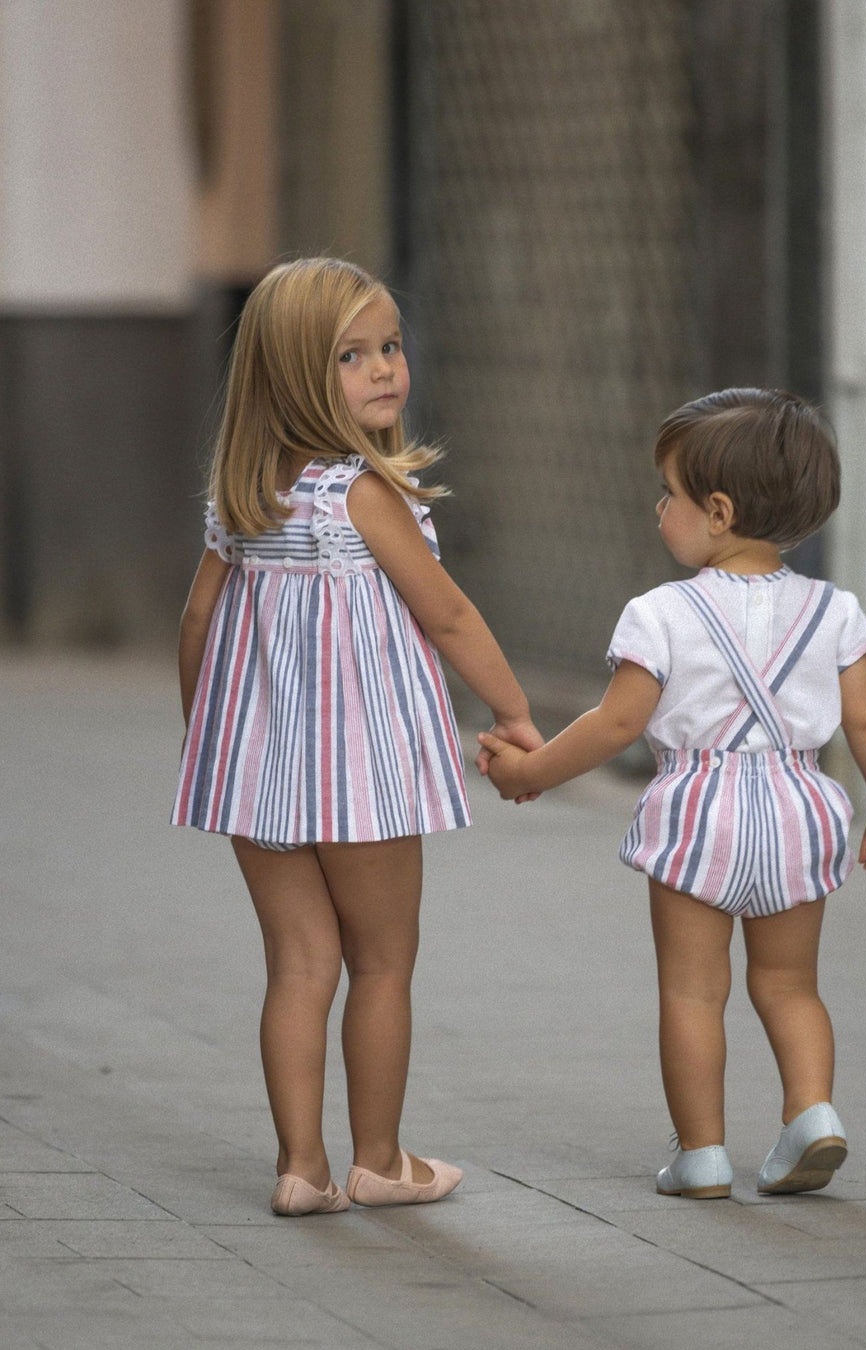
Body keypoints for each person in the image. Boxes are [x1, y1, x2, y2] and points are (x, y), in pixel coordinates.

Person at [172, 257, 542, 1216]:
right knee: (381, 961)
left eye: (390, 346)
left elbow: (199, 623)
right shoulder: (361, 494)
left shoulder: (241, 498)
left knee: (298, 964)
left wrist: (210, 738)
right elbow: (448, 614)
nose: (384, 368)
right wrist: (513, 715)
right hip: (361, 775)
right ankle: (378, 1159)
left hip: (257, 772)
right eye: (351, 355)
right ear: (293, 374)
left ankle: (300, 1167)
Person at [479, 388, 866, 1199]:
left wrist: (528, 774)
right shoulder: (835, 610)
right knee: (789, 984)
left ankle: (702, 1154)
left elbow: (616, 724)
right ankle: (812, 1112)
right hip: (798, 805)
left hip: (701, 813)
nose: (659, 508)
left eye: (668, 494)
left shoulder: (661, 614)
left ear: (717, 512)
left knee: (691, 990)